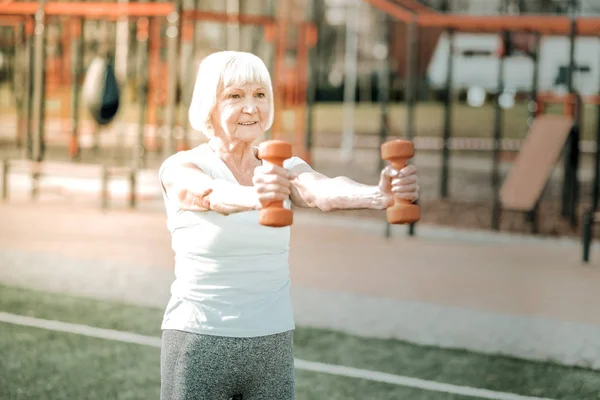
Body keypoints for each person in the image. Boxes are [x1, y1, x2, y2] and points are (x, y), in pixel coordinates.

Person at [158, 50, 419, 400]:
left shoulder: (281, 165)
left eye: (260, 95)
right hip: (199, 338)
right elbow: (210, 196)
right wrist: (259, 196)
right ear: (208, 104)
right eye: (235, 96)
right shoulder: (182, 166)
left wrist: (378, 195)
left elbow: (321, 191)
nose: (251, 107)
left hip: (272, 342)